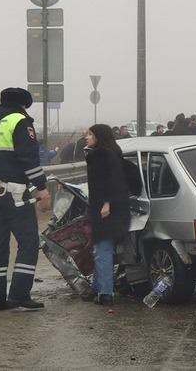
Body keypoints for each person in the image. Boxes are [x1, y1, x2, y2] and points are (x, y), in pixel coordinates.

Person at [0, 87, 51, 311]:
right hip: (14, 191)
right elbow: (28, 158)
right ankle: (19, 294)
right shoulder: (19, 121)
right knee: (29, 242)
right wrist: (42, 187)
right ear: (22, 105)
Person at [85, 124, 130, 305]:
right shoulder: (108, 153)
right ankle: (97, 289)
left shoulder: (104, 156)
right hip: (109, 207)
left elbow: (114, 180)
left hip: (108, 209)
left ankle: (105, 294)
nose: (86, 137)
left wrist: (106, 203)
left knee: (103, 250)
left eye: (90, 134)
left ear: (99, 137)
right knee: (101, 249)